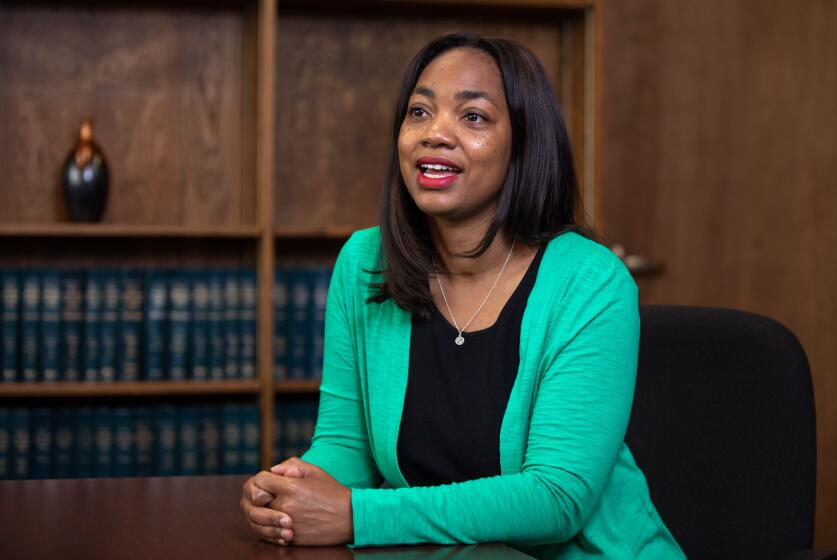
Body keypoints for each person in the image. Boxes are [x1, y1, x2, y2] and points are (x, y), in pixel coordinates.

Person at [240, 32, 685, 559]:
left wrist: (356, 515)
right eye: (419, 112)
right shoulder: (365, 263)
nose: (436, 134)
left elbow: (556, 499)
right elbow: (348, 448)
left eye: (473, 117)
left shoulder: (590, 282)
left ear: (524, 143)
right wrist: (292, 491)